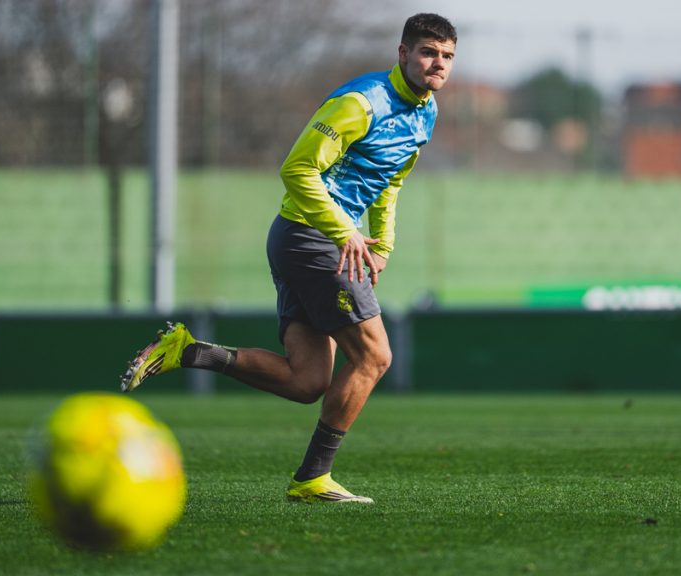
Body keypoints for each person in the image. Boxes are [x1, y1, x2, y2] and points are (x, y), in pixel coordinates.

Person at [120, 13, 458, 503]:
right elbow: (297, 168)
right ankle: (312, 477)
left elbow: (391, 182)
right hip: (311, 237)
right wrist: (345, 232)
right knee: (375, 356)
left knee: (307, 381)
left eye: (447, 56)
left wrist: (380, 244)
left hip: (312, 240)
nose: (438, 63)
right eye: (428, 52)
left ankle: (189, 352)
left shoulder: (425, 111)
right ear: (403, 53)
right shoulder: (361, 103)